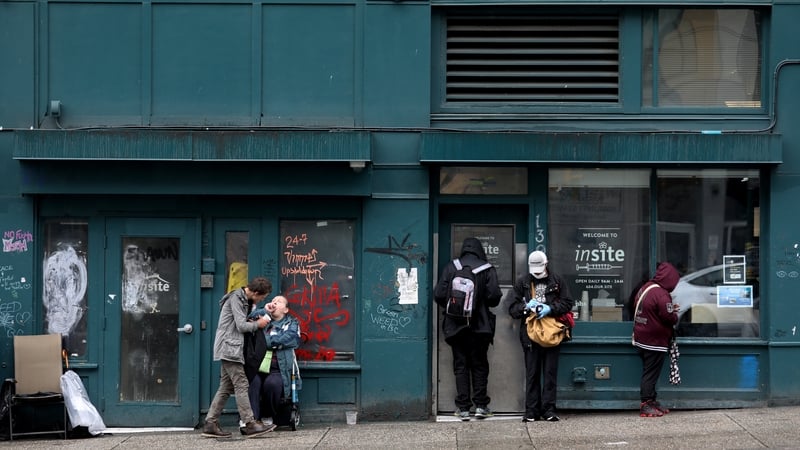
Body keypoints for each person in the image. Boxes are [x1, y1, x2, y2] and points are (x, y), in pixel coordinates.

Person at [434, 237, 502, 421]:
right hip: (479, 327)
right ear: (480, 250)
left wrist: (455, 307)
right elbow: (494, 297)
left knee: (460, 365)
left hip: (455, 327)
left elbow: (439, 294)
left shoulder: (451, 267)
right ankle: (481, 406)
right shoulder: (486, 269)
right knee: (479, 365)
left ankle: (463, 409)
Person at [201, 277, 276, 438]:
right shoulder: (236, 298)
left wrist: (264, 312)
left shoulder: (244, 299)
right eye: (262, 297)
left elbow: (242, 320)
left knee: (226, 387)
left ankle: (210, 423)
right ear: (255, 292)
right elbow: (241, 326)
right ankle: (249, 423)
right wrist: (258, 324)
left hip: (231, 347)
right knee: (241, 383)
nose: (262, 299)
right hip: (230, 348)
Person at [508, 250, 574, 422]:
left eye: (539, 269)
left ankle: (549, 410)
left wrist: (550, 309)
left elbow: (568, 303)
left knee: (550, 373)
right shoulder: (523, 282)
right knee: (532, 373)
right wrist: (525, 308)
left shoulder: (557, 280)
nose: (537, 273)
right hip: (530, 334)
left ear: (546, 264)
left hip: (552, 332)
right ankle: (531, 410)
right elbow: (512, 309)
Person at [244, 295, 302, 426]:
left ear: (286, 310)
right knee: (252, 383)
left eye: (279, 302)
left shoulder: (292, 323)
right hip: (257, 366)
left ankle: (267, 415)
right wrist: (264, 311)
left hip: (277, 368)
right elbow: (246, 321)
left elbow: (291, 339)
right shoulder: (262, 318)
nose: (274, 303)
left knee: (272, 385)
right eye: (273, 301)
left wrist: (263, 342)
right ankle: (252, 421)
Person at [631, 261, 680, 417]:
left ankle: (652, 401)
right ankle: (646, 403)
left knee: (649, 372)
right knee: (650, 374)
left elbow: (642, 307)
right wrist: (674, 314)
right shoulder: (661, 294)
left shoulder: (646, 288)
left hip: (641, 337)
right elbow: (669, 318)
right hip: (653, 342)